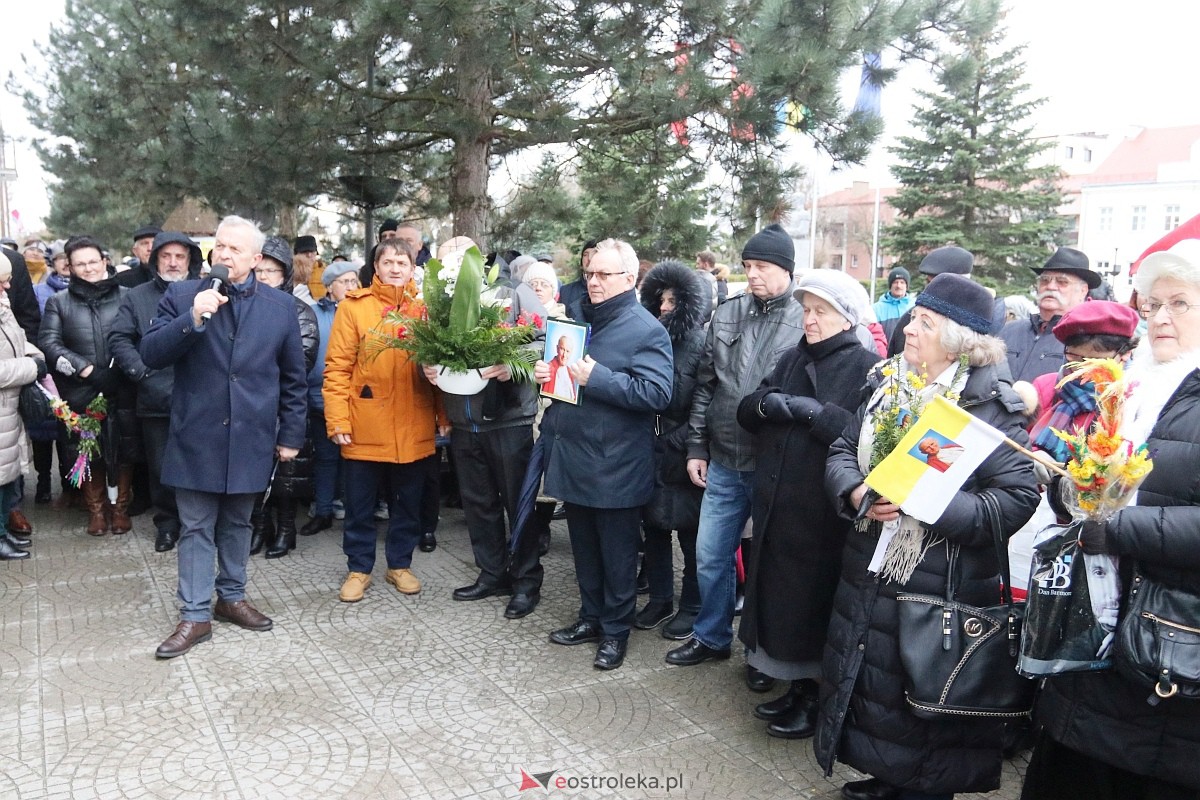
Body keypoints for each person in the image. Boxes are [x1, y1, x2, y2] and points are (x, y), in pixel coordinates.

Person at [819, 272, 1039, 800]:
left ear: (958, 340)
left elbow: (1015, 501)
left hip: (942, 584)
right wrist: (855, 492)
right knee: (878, 684)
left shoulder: (989, 408)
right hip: (872, 562)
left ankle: (922, 789)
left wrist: (927, 500)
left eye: (925, 322)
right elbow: (843, 451)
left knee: (924, 691)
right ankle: (892, 778)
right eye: (913, 316)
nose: (908, 330)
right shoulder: (887, 384)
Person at [1021, 238, 1200, 799]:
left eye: (1180, 304)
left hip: (1163, 643)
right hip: (1091, 627)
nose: (1161, 317)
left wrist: (1113, 529)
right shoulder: (1131, 387)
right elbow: (1095, 476)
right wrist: (1068, 491)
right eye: (1153, 304)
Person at [140, 216, 306, 658]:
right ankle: (194, 616)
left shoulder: (280, 307)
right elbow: (151, 353)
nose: (225, 255)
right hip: (196, 433)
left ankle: (231, 597)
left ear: (256, 259)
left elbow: (293, 380)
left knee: (239, 522)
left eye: (235, 249)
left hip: (252, 435)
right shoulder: (181, 295)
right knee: (195, 526)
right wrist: (192, 317)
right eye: (220, 246)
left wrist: (290, 434)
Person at [735, 269, 881, 741]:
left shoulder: (865, 366)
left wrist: (814, 414)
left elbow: (864, 438)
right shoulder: (794, 356)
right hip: (781, 504)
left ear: (845, 319)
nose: (809, 320)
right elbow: (750, 405)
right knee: (784, 602)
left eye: (820, 312)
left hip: (821, 514)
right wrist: (766, 404)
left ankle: (818, 699)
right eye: (806, 310)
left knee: (813, 607)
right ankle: (798, 689)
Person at [667, 223, 805, 694]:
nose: (753, 275)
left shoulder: (804, 318)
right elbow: (708, 386)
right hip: (724, 458)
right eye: (747, 266)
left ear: (786, 269)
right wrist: (697, 446)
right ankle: (711, 635)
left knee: (769, 566)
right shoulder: (726, 314)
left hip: (774, 465)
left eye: (763, 267)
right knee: (710, 557)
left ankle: (761, 654)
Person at [541, 238, 673, 671]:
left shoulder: (647, 329)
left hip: (615, 464)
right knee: (584, 550)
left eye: (603, 274)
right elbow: (566, 381)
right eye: (590, 273)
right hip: (576, 456)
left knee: (617, 558)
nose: (593, 282)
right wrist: (547, 373)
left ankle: (615, 633)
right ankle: (590, 618)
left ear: (630, 279)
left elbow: (656, 393)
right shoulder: (579, 320)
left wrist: (598, 377)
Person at [425, 239, 548, 619]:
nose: (454, 268)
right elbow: (429, 348)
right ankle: (492, 573)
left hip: (509, 418)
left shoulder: (512, 293)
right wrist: (426, 367)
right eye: (447, 262)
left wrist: (514, 365)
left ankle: (526, 582)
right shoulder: (438, 303)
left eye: (461, 261)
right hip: (463, 421)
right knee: (478, 504)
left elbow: (546, 342)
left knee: (518, 504)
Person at [323, 239, 447, 603]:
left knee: (407, 502)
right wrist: (338, 420)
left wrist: (442, 415)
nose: (395, 268)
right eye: (388, 262)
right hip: (366, 424)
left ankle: (399, 565)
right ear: (375, 267)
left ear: (412, 269)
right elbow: (337, 368)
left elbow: (440, 368)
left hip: (414, 423)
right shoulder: (353, 308)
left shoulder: (425, 310)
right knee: (360, 505)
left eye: (402, 262)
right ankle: (359, 569)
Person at [108, 231, 204, 551]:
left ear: (190, 260)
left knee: (202, 463)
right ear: (155, 259)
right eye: (167, 256)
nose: (173, 263)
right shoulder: (136, 296)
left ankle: (200, 524)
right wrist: (141, 372)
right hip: (156, 395)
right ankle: (167, 523)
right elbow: (119, 339)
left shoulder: (208, 293)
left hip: (202, 398)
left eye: (180, 256)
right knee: (161, 466)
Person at [39, 235, 132, 535]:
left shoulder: (127, 295)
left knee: (123, 449)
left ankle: (120, 510)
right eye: (80, 264)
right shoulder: (58, 302)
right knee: (88, 450)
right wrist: (86, 369)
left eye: (93, 261)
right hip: (81, 390)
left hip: (122, 384)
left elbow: (137, 335)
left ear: (104, 261)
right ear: (70, 268)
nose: (89, 268)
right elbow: (50, 343)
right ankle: (96, 511)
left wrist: (124, 368)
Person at [637, 260, 708, 635]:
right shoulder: (648, 337)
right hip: (649, 443)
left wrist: (678, 442)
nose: (665, 307)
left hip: (681, 448)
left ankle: (692, 604)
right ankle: (660, 598)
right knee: (653, 528)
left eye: (672, 300)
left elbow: (703, 400)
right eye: (660, 299)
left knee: (690, 531)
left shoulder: (699, 343)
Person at [246, 236, 319, 558]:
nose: (264, 277)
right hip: (250, 405)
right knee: (252, 474)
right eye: (259, 271)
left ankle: (286, 529)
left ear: (285, 274)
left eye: (271, 271)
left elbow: (300, 361)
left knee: (287, 475)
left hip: (286, 405)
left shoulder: (299, 311)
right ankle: (261, 525)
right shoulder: (242, 306)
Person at [299, 260, 360, 538]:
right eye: (344, 282)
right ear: (329, 287)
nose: (351, 286)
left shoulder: (363, 310)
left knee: (355, 459)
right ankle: (323, 511)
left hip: (359, 399)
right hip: (320, 396)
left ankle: (357, 512)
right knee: (325, 457)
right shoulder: (313, 313)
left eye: (354, 281)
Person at [0, 251, 45, 560]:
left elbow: (17, 338)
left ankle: (2, 533)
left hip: (8, 411)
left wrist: (36, 355)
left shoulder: (3, 305)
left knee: (5, 478)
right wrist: (32, 369)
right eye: (1, 283)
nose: (6, 289)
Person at [884, 246, 1007, 355]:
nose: (929, 289)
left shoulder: (989, 324)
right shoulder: (913, 317)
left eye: (933, 283)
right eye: (929, 282)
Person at [1001, 247, 1099, 383]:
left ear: (1083, 290)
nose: (1051, 286)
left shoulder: (1090, 341)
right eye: (1045, 280)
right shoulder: (1008, 331)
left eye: (1062, 282)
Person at [544, 336, 577, 401]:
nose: (564, 355)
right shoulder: (547, 369)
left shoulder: (570, 372)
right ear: (557, 349)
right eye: (562, 349)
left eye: (568, 351)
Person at [292, 235, 323, 303]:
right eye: (304, 252)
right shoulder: (289, 271)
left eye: (312, 251)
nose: (309, 255)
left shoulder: (324, 271)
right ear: (296, 254)